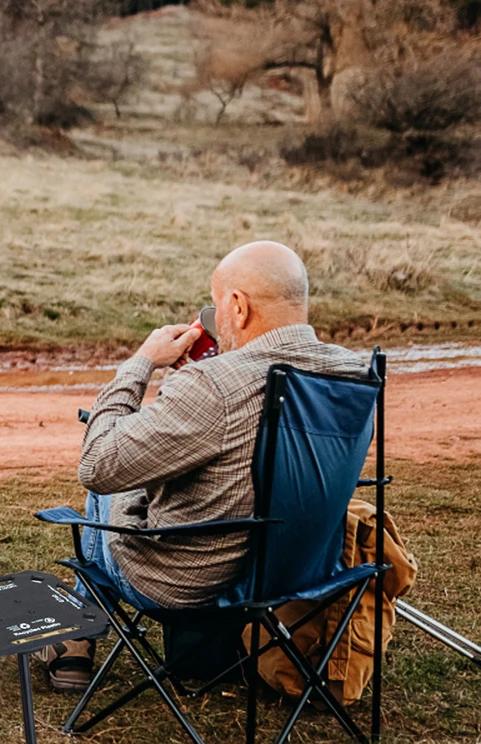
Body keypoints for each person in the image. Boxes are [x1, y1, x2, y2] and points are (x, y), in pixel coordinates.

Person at [40, 241, 368, 691]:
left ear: (237, 306)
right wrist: (192, 382)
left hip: (189, 586)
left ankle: (78, 635)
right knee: (147, 464)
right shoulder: (356, 372)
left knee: (112, 461)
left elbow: (98, 465)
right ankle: (80, 638)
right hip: (297, 573)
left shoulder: (213, 385)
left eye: (216, 305)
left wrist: (142, 364)